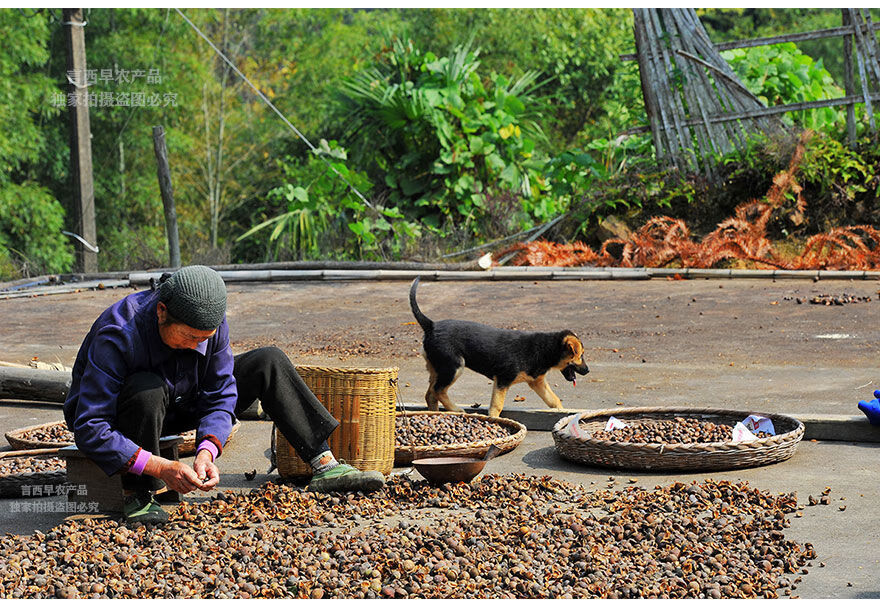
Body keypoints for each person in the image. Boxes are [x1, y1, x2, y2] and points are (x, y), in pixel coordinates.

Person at [64, 265, 385, 525]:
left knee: (268, 361)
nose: (198, 344)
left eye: (205, 338)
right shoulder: (119, 332)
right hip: (127, 413)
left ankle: (324, 464)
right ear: (162, 312)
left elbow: (219, 393)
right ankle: (138, 495)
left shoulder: (211, 325)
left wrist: (207, 451)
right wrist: (160, 467)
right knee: (147, 388)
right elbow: (90, 425)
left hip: (177, 402)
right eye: (190, 337)